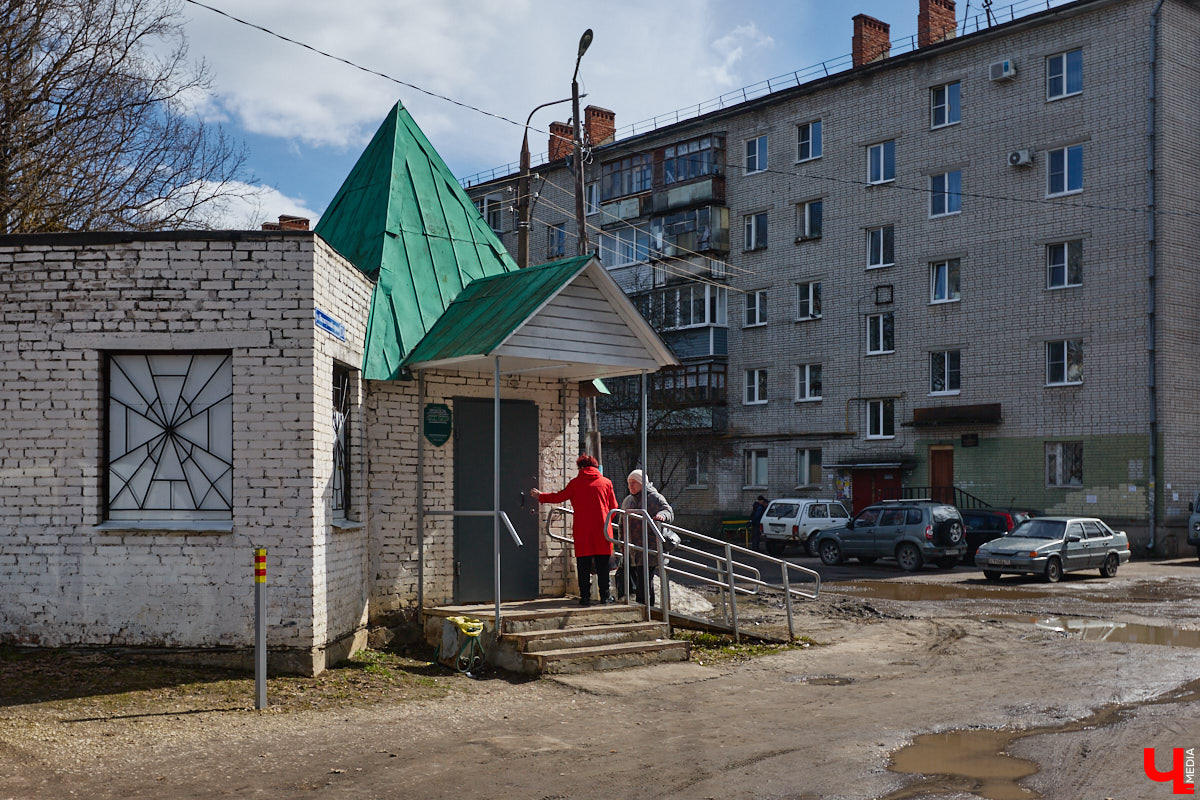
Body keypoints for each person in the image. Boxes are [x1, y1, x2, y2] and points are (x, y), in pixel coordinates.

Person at [531, 454, 619, 606]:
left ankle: (585, 598)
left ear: (581, 467)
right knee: (603, 565)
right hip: (603, 530)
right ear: (595, 466)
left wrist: (541, 496)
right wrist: (606, 520)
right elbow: (614, 507)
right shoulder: (606, 482)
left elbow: (559, 497)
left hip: (582, 530)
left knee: (583, 564)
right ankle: (605, 597)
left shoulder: (575, 483)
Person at [620, 469, 674, 607]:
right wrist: (621, 544)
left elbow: (668, 511)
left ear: (642, 483)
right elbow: (621, 524)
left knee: (644, 579)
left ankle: (645, 607)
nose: (630, 486)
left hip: (649, 546)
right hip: (633, 547)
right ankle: (643, 606)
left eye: (634, 482)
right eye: (629, 483)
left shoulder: (654, 498)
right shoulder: (628, 501)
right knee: (636, 578)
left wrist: (663, 516)